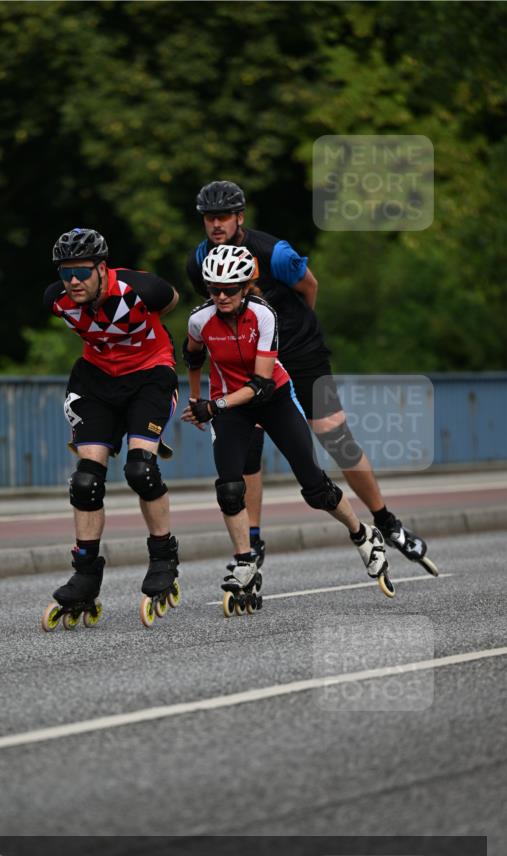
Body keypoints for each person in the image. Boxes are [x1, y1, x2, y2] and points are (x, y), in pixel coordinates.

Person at [186, 181, 437, 577]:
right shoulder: (199, 260)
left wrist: (293, 333)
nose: (216, 225)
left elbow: (310, 287)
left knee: (333, 435)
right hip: (250, 357)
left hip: (299, 351)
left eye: (224, 217)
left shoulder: (274, 252)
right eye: (209, 218)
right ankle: (252, 541)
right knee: (246, 444)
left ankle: (386, 521)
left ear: (240, 217)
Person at [182, 244, 395, 607]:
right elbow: (192, 354)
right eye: (213, 288)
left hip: (273, 398)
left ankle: (363, 534)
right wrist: (194, 397)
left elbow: (262, 383)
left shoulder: (264, 315)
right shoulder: (200, 319)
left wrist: (212, 405)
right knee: (229, 488)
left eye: (229, 289)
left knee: (315, 489)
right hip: (231, 407)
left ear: (246, 287)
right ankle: (245, 562)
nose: (220, 296)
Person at [42, 227, 181, 628]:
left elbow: (170, 302)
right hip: (96, 380)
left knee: (141, 469)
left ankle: (163, 557)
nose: (73, 282)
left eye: (82, 272)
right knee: (85, 482)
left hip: (149, 374)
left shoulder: (142, 289)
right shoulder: (56, 300)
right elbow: (65, 296)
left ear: (102, 269)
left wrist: (137, 342)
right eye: (65, 273)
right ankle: (85, 574)